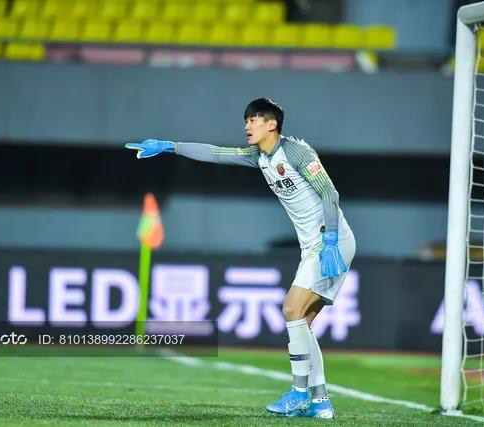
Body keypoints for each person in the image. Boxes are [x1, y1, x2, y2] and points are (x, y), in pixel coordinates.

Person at [125, 98, 356, 419]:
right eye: (246, 120)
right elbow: (216, 153)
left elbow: (330, 193)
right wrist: (171, 146)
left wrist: (330, 239)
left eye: (254, 120)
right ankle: (320, 403)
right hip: (313, 246)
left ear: (272, 124)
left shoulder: (297, 152)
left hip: (331, 241)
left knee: (291, 309)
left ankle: (299, 392)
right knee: (301, 323)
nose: (247, 125)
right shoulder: (258, 156)